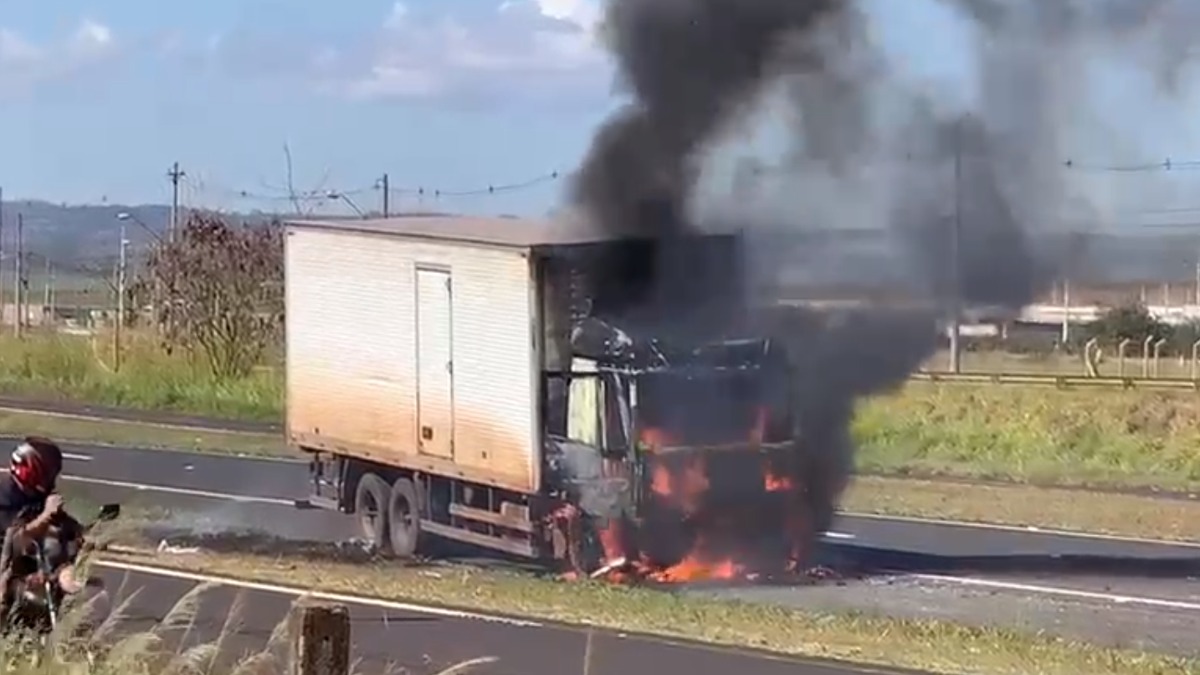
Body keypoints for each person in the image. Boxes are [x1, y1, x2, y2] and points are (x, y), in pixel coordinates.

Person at [0, 437, 68, 618]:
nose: (51, 479)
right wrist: (46, 516)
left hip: (27, 566)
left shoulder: (36, 496)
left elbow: (65, 525)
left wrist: (88, 534)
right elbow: (16, 539)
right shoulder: (4, 495)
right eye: (48, 472)